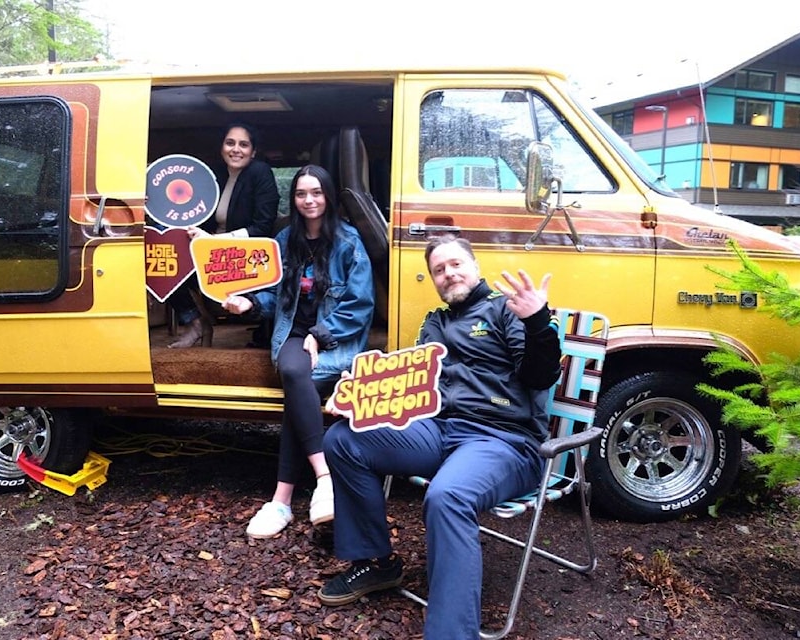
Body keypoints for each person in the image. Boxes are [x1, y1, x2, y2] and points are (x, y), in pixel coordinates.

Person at [316, 234, 561, 640]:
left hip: (501, 440)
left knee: (447, 496)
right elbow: (409, 391)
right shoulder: (435, 323)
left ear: (474, 265)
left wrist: (537, 323)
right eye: (438, 270)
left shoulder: (506, 310)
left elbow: (540, 376)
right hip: (438, 430)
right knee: (344, 439)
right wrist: (361, 399)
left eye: (455, 264)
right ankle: (377, 563)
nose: (448, 274)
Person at [222, 165, 375, 538]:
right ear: (294, 200)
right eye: (302, 194)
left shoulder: (350, 242)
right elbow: (274, 295)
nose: (309, 200)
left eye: (317, 193)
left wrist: (321, 335)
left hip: (335, 339)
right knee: (294, 371)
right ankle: (325, 479)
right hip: (292, 333)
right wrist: (251, 306)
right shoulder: (284, 240)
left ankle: (281, 500)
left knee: (296, 386)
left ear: (329, 197)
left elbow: (360, 304)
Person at [167, 122, 281, 348]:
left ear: (253, 152)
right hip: (206, 249)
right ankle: (196, 323)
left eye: (243, 144)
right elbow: (186, 210)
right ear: (222, 148)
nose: (236, 149)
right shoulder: (213, 175)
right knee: (163, 257)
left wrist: (213, 241)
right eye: (230, 143)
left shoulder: (259, 173)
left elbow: (262, 228)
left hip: (244, 257)